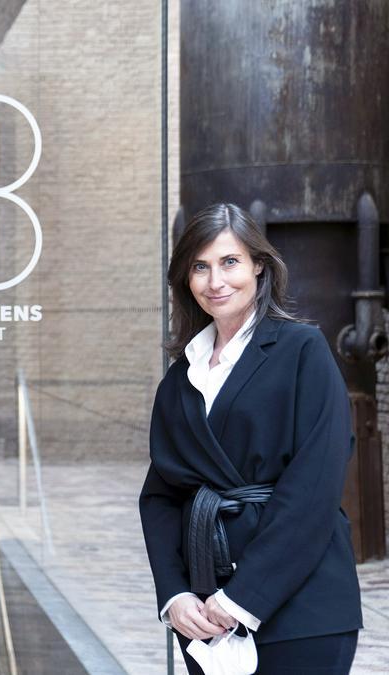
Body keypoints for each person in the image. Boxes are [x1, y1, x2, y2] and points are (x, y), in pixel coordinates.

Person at [139, 203, 362, 673]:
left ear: (259, 265)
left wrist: (243, 598)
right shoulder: (181, 378)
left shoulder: (303, 349)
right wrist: (175, 593)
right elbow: (160, 497)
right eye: (200, 267)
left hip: (300, 606)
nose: (215, 281)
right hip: (205, 616)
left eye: (229, 262)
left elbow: (314, 489)